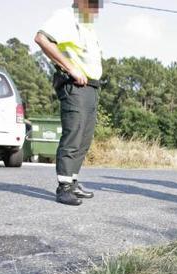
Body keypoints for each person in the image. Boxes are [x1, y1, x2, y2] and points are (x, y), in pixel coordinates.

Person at [35, 0, 104, 206]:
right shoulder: (66, 16)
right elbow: (42, 39)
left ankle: (73, 181)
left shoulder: (87, 26)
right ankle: (63, 186)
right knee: (73, 134)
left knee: (85, 137)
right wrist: (70, 68)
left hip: (91, 87)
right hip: (74, 85)